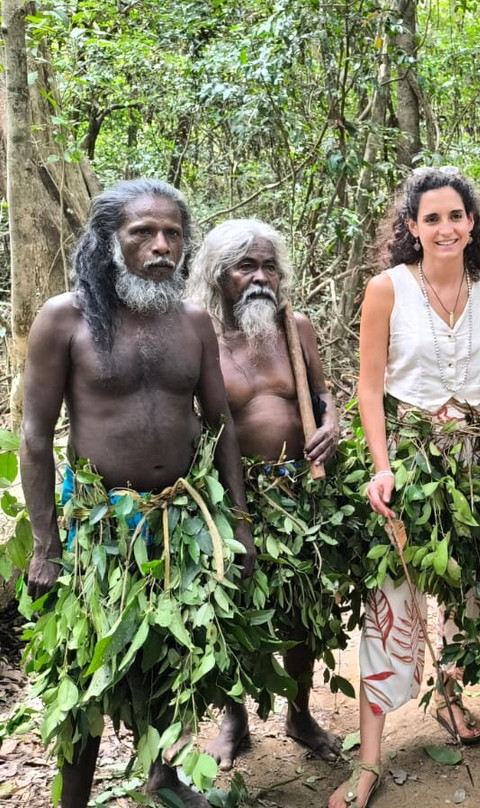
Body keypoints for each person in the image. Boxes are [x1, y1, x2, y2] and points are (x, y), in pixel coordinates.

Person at [19, 180, 256, 808]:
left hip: (181, 517)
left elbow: (218, 422)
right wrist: (45, 545)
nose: (161, 246)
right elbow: (35, 436)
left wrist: (237, 520)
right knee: (86, 672)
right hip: (100, 527)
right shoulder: (63, 318)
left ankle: (165, 777)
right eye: (142, 233)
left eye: (173, 233)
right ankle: (73, 799)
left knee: (173, 656)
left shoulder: (193, 321)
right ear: (107, 241)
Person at [329, 168, 480, 808]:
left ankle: (451, 697)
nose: (445, 228)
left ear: (472, 223)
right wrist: (381, 465)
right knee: (391, 597)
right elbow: (368, 387)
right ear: (410, 227)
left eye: (456, 216)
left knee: (468, 593)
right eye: (431, 218)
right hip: (406, 460)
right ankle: (370, 760)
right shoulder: (387, 289)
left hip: (473, 463)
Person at [185, 219, 343, 769]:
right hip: (229, 498)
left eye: (268, 266)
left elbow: (323, 396)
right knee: (234, 612)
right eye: (244, 266)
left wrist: (332, 423)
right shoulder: (198, 333)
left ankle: (299, 713)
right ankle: (234, 719)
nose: (259, 277)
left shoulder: (295, 328)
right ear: (216, 274)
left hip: (299, 491)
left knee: (302, 615)